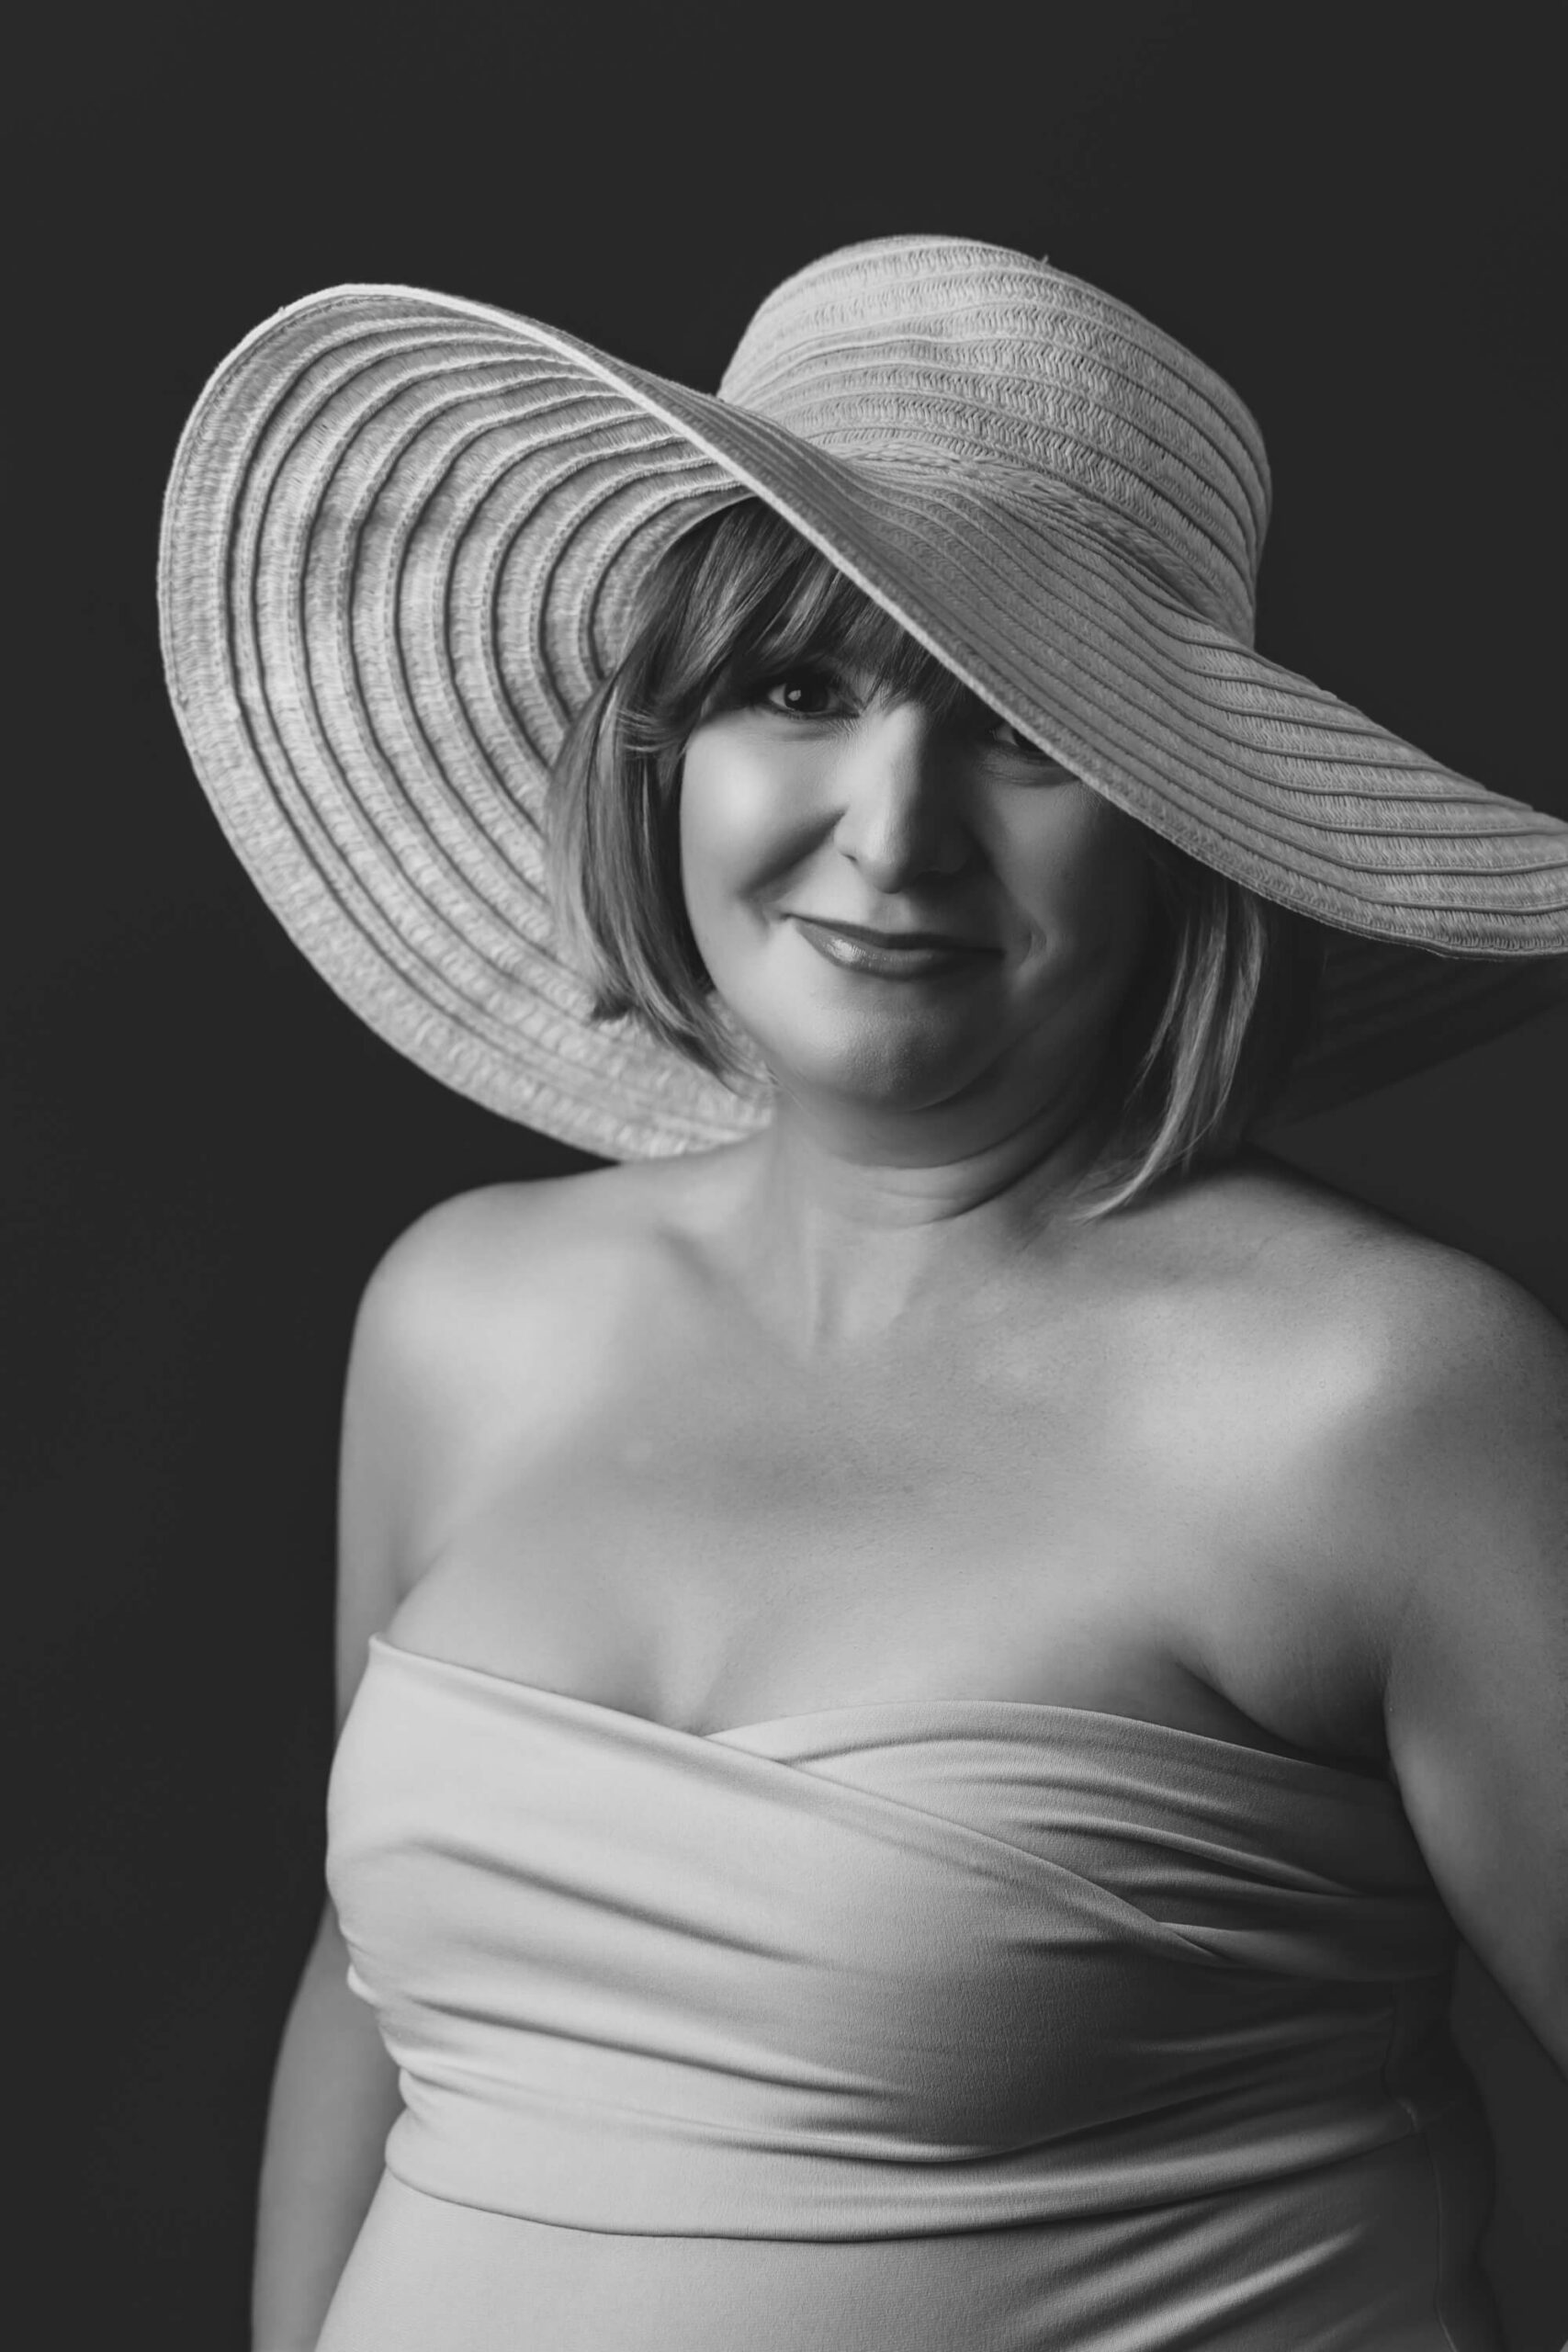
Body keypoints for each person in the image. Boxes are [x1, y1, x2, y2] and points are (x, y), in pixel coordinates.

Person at [160, 235, 1568, 2352]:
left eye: (1017, 729)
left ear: (1176, 838)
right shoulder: (464, 1312)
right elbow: (376, 1996)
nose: (888, 830)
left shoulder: (1372, 1394)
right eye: (794, 690)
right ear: (663, 761)